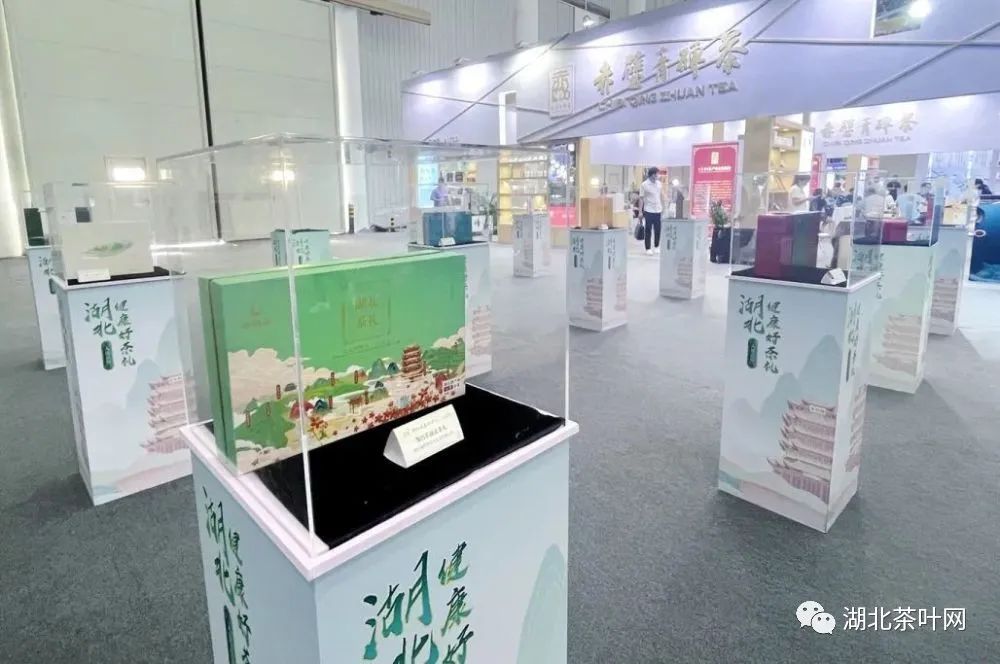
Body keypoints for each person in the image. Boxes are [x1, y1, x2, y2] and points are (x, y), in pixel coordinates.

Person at [639, 166, 666, 255]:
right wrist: (640, 212)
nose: (658, 175)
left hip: (658, 210)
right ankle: (648, 248)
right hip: (648, 210)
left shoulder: (659, 184)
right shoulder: (644, 185)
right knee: (648, 230)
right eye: (657, 174)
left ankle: (657, 246)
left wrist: (664, 207)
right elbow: (641, 198)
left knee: (658, 229)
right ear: (652, 174)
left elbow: (661, 196)